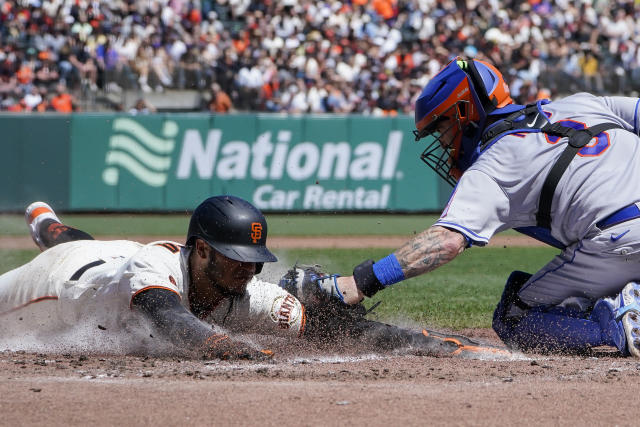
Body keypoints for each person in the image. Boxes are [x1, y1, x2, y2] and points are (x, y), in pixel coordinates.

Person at [331, 57, 640, 358]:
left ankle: (614, 322)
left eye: (442, 130)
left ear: (464, 110)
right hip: (621, 234)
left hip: (620, 237)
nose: (443, 144)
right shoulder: (583, 102)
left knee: (514, 318)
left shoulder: (492, 165)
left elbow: (446, 240)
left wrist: (360, 282)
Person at [0, 196, 506, 360]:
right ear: (200, 251)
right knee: (70, 249)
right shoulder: (153, 270)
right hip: (57, 285)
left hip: (104, 259)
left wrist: (428, 343)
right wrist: (229, 346)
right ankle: (49, 229)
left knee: (77, 239)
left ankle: (46, 222)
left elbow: (333, 329)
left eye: (253, 255)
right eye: (233, 255)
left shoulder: (241, 291)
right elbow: (173, 320)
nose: (250, 266)